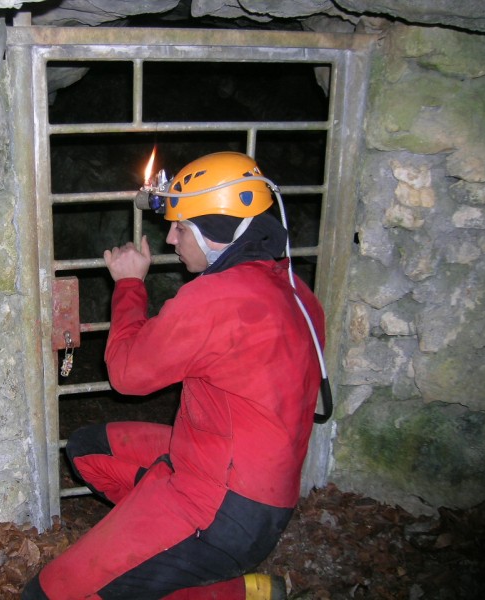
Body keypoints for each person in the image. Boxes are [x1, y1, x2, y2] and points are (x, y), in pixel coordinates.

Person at [23, 152, 326, 600]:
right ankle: (155, 557)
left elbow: (127, 375)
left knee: (47, 595)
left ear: (218, 233)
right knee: (88, 449)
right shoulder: (296, 291)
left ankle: (229, 591)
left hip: (220, 509)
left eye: (181, 227)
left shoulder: (215, 298)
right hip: (239, 480)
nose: (169, 237)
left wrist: (129, 284)